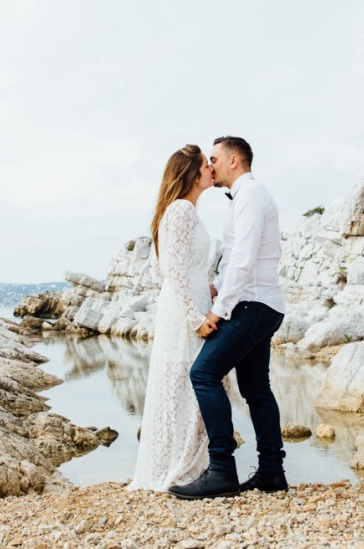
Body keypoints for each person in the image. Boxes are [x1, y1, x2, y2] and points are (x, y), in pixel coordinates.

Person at [168, 136, 287, 500]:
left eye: (216, 158)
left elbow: (244, 260)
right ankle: (271, 472)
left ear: (235, 160)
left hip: (253, 305)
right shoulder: (244, 198)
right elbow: (234, 257)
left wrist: (216, 312)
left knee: (203, 373)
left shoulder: (250, 195)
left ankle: (221, 470)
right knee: (255, 389)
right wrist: (217, 288)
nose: (211, 166)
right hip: (260, 302)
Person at [127, 144, 215, 491]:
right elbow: (170, 268)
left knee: (185, 382)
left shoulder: (181, 210)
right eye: (206, 164)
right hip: (183, 310)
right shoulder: (181, 209)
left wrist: (206, 286)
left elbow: (164, 269)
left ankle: (184, 463)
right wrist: (195, 315)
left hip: (184, 302)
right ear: (193, 174)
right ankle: (180, 467)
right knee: (185, 382)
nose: (212, 168)